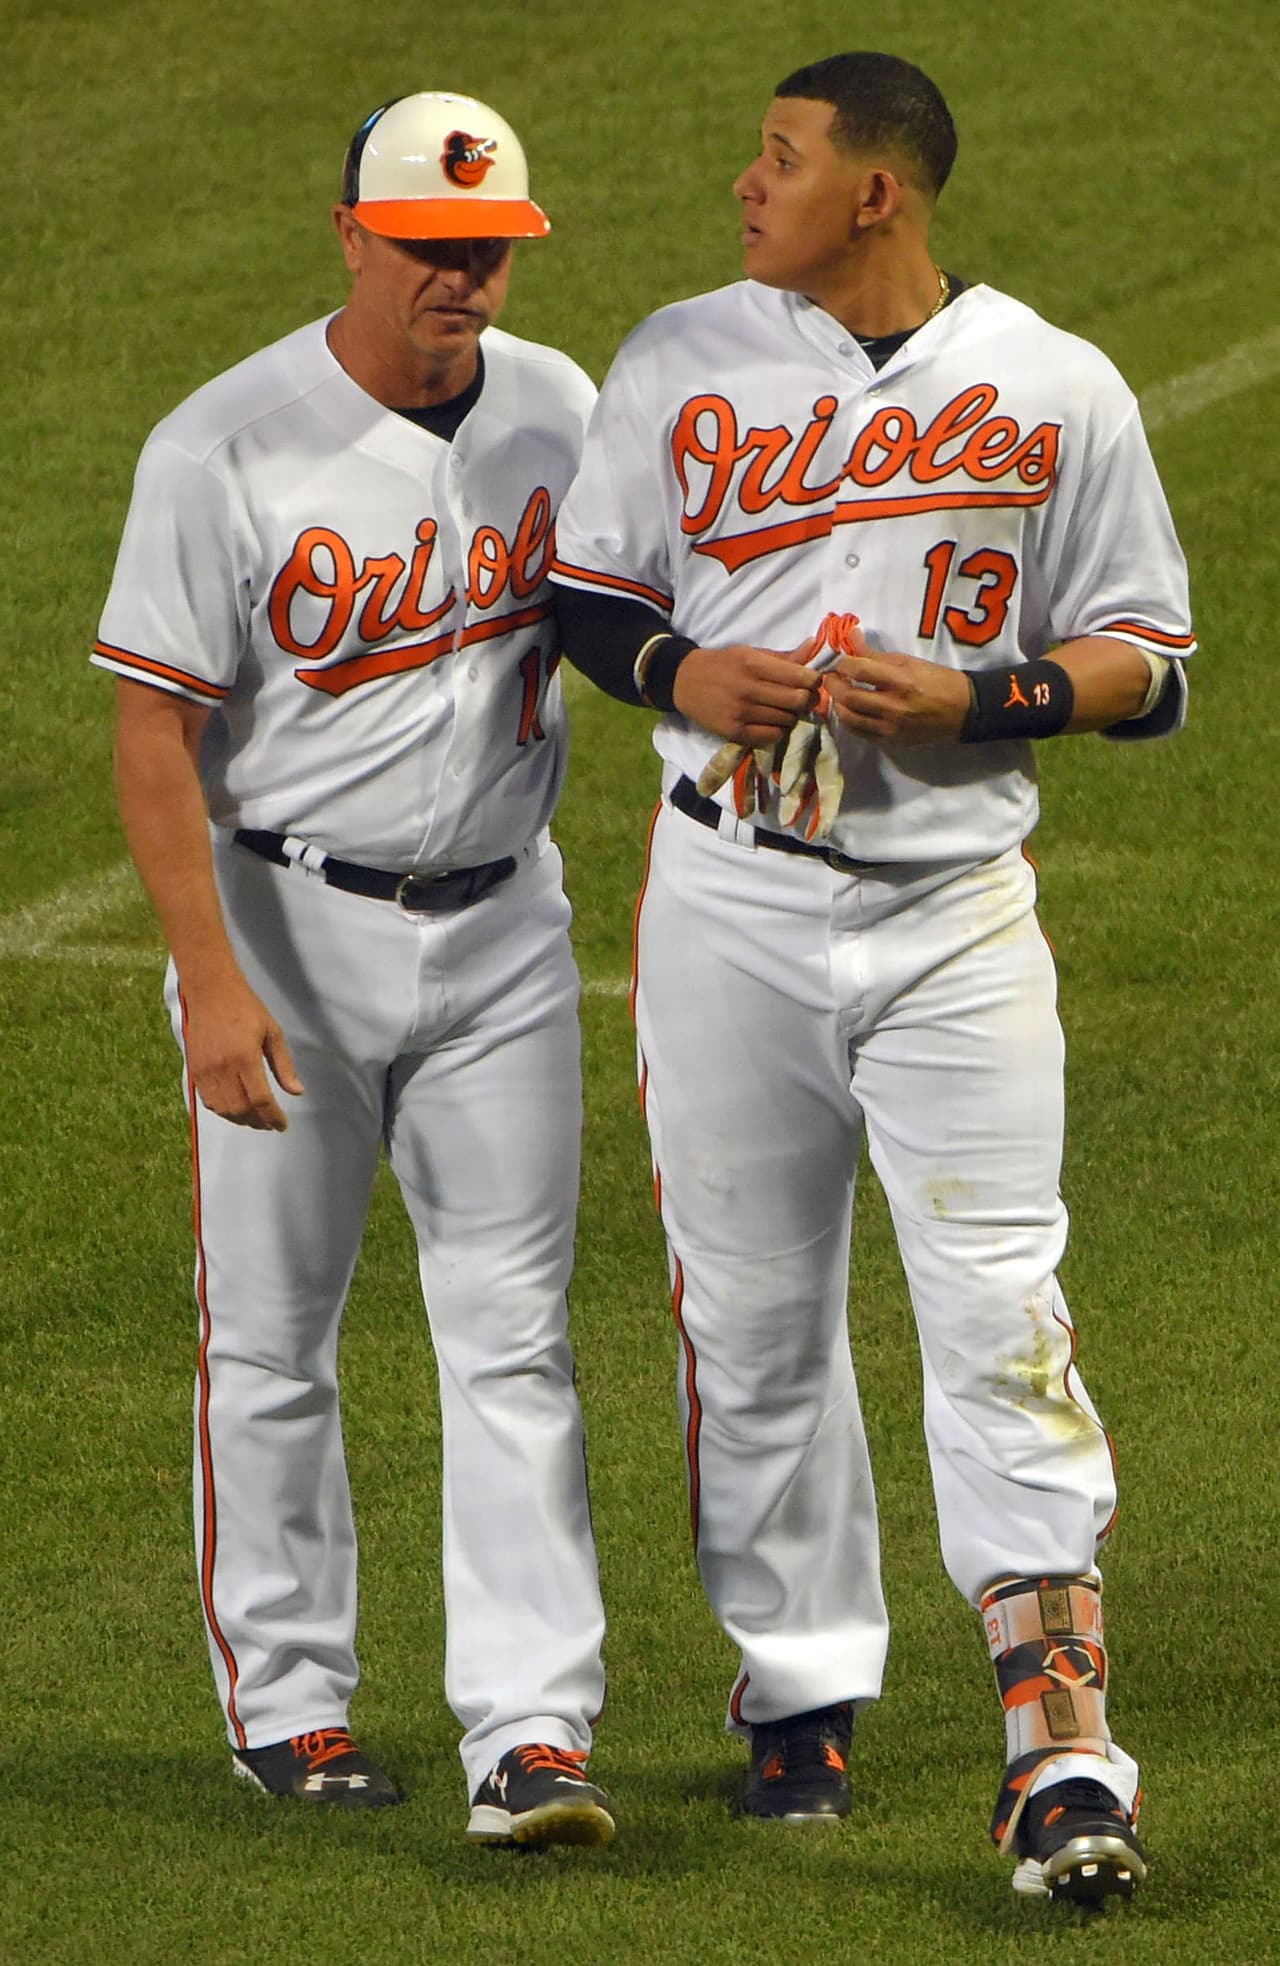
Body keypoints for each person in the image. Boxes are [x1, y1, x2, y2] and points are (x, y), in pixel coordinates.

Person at [551, 50, 1193, 1903]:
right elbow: (591, 593)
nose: (746, 183)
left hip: (955, 918)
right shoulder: (681, 357)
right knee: (748, 1318)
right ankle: (801, 1695)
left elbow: (1151, 660)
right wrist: (684, 674)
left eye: (781, 157)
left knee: (1002, 1310)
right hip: (727, 907)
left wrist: (977, 700)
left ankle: (1059, 1748)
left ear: (878, 197)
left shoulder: (1054, 386)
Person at [93, 90, 614, 1849]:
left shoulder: (561, 409)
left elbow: (630, 621)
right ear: (350, 237)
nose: (462, 276)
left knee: (516, 1337)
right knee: (271, 1339)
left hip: (503, 934)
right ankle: (294, 1705)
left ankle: (532, 1729)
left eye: (487, 248)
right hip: (286, 934)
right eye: (428, 248)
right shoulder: (222, 446)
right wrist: (212, 981)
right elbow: (154, 727)